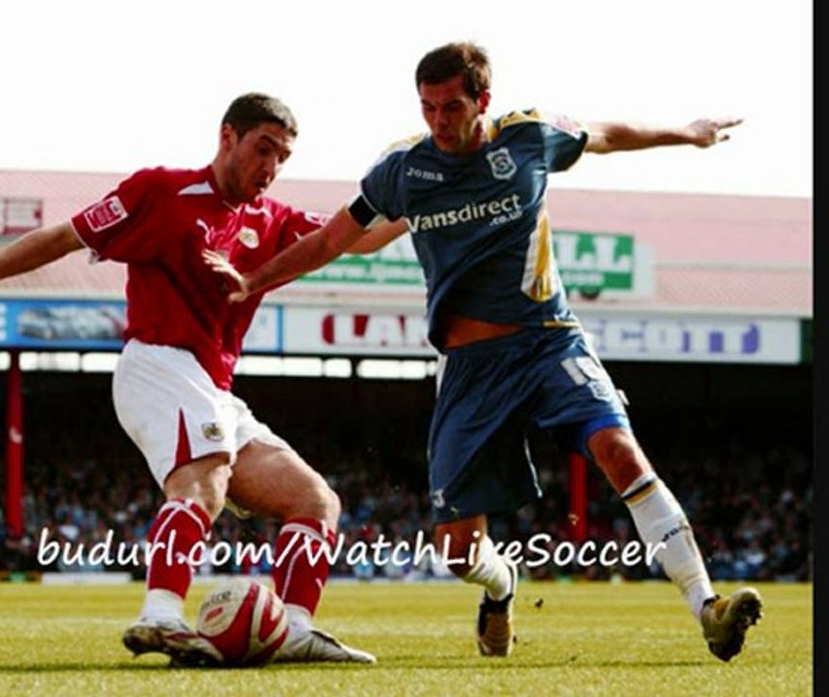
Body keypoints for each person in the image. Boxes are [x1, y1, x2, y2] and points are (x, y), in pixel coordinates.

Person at [204, 42, 763, 663]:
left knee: (618, 449)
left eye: (451, 107)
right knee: (457, 551)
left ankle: (706, 605)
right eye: (427, 108)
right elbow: (335, 239)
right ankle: (502, 587)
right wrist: (254, 280)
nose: (438, 121)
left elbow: (606, 133)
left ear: (482, 101)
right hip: (468, 371)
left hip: (548, 341)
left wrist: (688, 134)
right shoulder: (404, 171)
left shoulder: (528, 137)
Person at [0, 93, 394, 666]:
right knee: (204, 480)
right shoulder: (160, 192)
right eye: (262, 149)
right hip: (158, 363)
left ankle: (291, 629)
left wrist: (419, 202)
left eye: (282, 157)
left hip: (215, 388)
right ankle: (160, 614)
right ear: (227, 137)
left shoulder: (274, 220)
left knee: (315, 501)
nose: (271, 167)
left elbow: (356, 235)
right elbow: (67, 236)